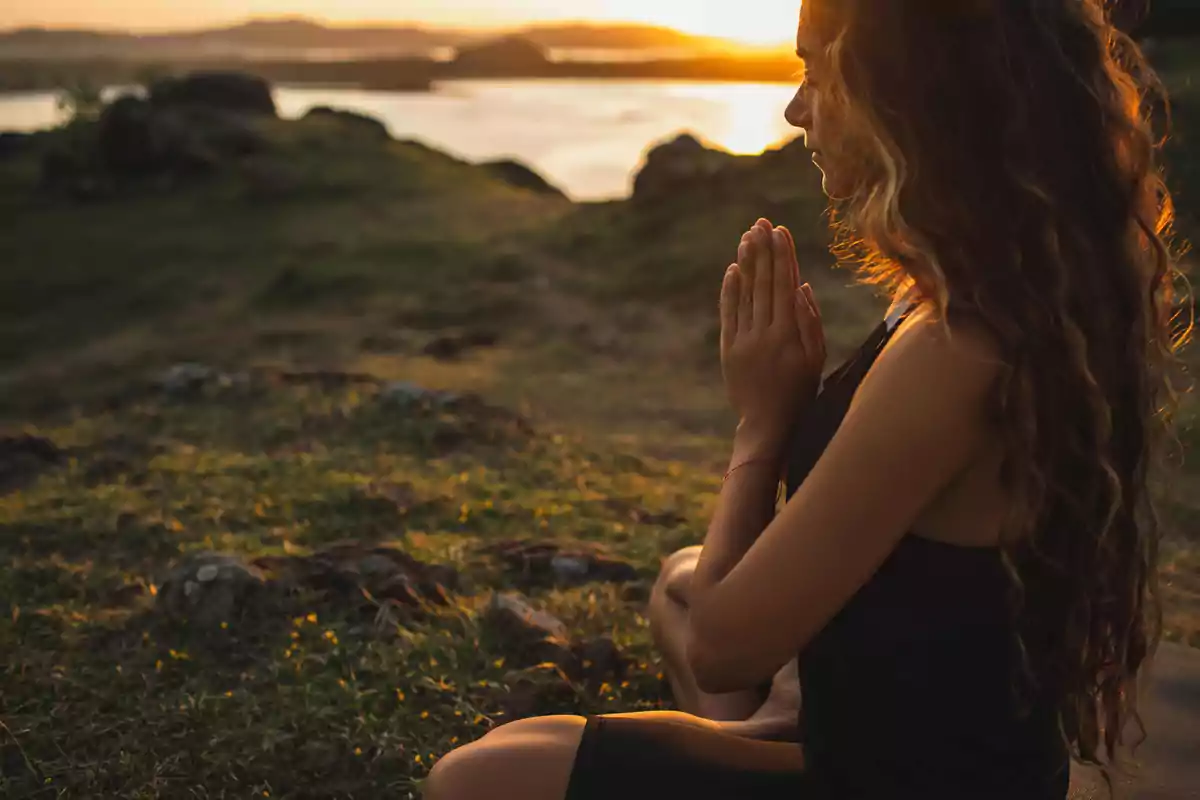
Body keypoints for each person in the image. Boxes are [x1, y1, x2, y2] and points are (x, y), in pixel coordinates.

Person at [423, 1, 1188, 798]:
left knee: (480, 776)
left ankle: (750, 741)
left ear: (914, 91)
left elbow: (723, 650)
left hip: (905, 781)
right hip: (949, 730)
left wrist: (763, 420)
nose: (795, 108)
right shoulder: (990, 294)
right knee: (682, 582)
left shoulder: (955, 351)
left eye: (819, 71)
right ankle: (756, 733)